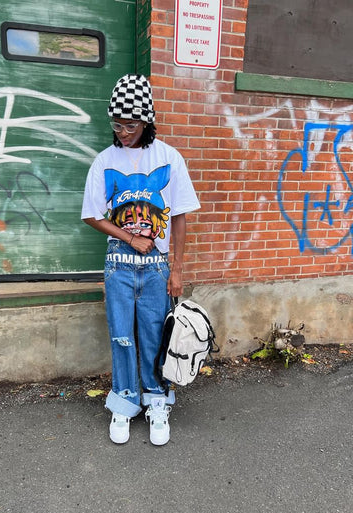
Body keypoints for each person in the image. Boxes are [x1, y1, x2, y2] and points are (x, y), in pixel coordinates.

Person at [81, 74, 200, 446]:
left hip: (158, 267)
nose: (122, 132)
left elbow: (179, 216)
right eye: (116, 124)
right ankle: (124, 401)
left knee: (152, 336)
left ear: (147, 120)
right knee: (121, 336)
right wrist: (130, 236)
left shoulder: (169, 157)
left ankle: (157, 401)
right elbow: (92, 215)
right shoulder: (104, 161)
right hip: (119, 264)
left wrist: (177, 269)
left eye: (130, 124)